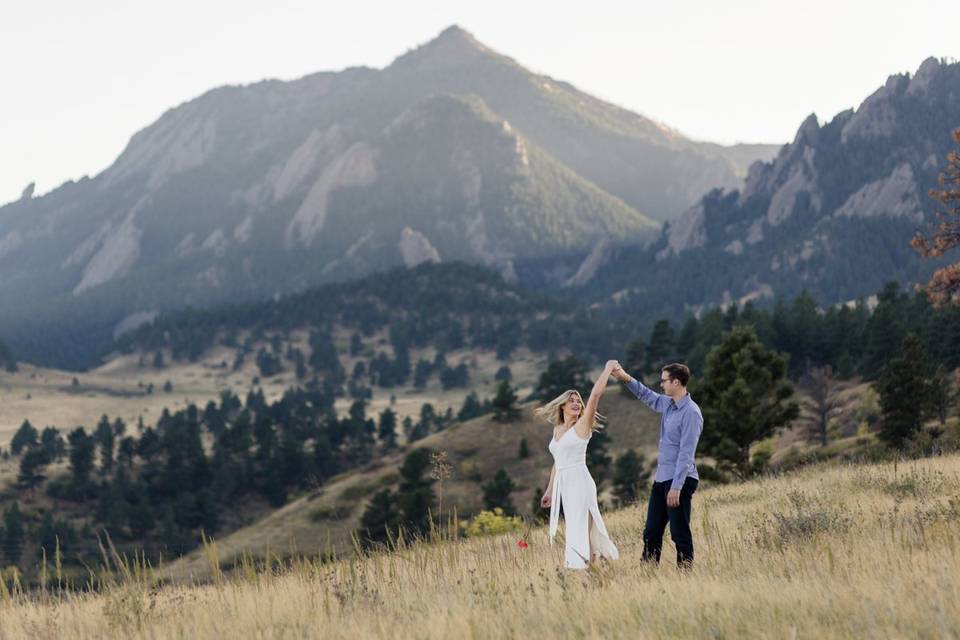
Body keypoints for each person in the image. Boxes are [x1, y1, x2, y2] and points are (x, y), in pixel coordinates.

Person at [611, 361, 702, 569]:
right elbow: (646, 395)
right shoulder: (668, 404)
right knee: (651, 531)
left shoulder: (691, 413)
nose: (661, 385)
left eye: (664, 381)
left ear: (676, 382)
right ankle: (648, 576)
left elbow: (686, 454)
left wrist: (676, 487)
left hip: (680, 479)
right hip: (662, 479)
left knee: (679, 532)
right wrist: (624, 376)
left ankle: (686, 576)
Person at [536, 361, 620, 569]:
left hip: (580, 483)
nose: (576, 403)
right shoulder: (557, 430)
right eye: (571, 400)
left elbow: (595, 396)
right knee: (576, 529)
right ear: (562, 405)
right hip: (565, 486)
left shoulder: (582, 426)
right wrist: (550, 490)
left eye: (578, 401)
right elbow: (558, 462)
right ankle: (592, 572)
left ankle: (587, 570)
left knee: (581, 531)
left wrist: (608, 369)